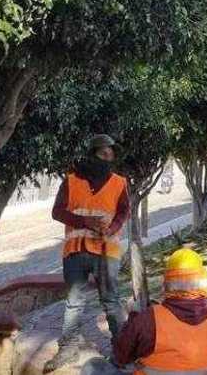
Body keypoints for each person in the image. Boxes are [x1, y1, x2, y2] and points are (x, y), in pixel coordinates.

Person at [48, 134, 131, 369]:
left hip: (107, 251)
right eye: (103, 153)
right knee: (73, 302)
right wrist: (84, 221)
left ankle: (123, 350)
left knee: (111, 301)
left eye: (111, 154)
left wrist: (112, 227)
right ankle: (68, 350)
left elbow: (124, 211)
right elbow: (57, 211)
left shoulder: (119, 182)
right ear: (92, 153)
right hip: (76, 251)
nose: (108, 158)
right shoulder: (71, 181)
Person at [113, 247, 207, 374]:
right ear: (202, 279)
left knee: (96, 366)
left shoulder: (148, 319)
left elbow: (121, 356)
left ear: (167, 281)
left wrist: (134, 315)